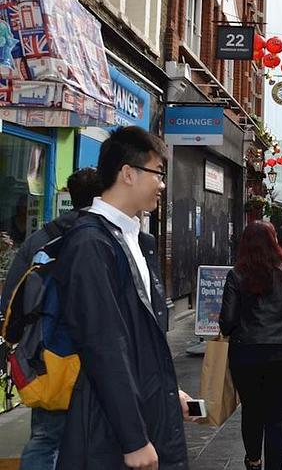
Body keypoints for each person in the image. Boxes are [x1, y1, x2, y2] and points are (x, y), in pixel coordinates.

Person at [53, 126, 194, 469]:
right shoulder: (90, 244)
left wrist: (166, 392)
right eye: (157, 173)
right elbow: (104, 345)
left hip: (148, 413)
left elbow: (140, 340)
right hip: (110, 434)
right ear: (128, 174)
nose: (162, 184)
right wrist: (134, 439)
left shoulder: (135, 241)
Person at [0, 167, 102, 470]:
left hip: (46, 356)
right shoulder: (103, 236)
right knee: (97, 438)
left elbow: (11, 303)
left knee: (45, 438)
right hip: (92, 356)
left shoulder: (40, 239)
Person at [220, 221, 282, 470]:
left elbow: (227, 321)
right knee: (277, 417)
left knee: (251, 409)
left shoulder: (237, 274)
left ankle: (253, 460)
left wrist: (239, 329)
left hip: (246, 354)